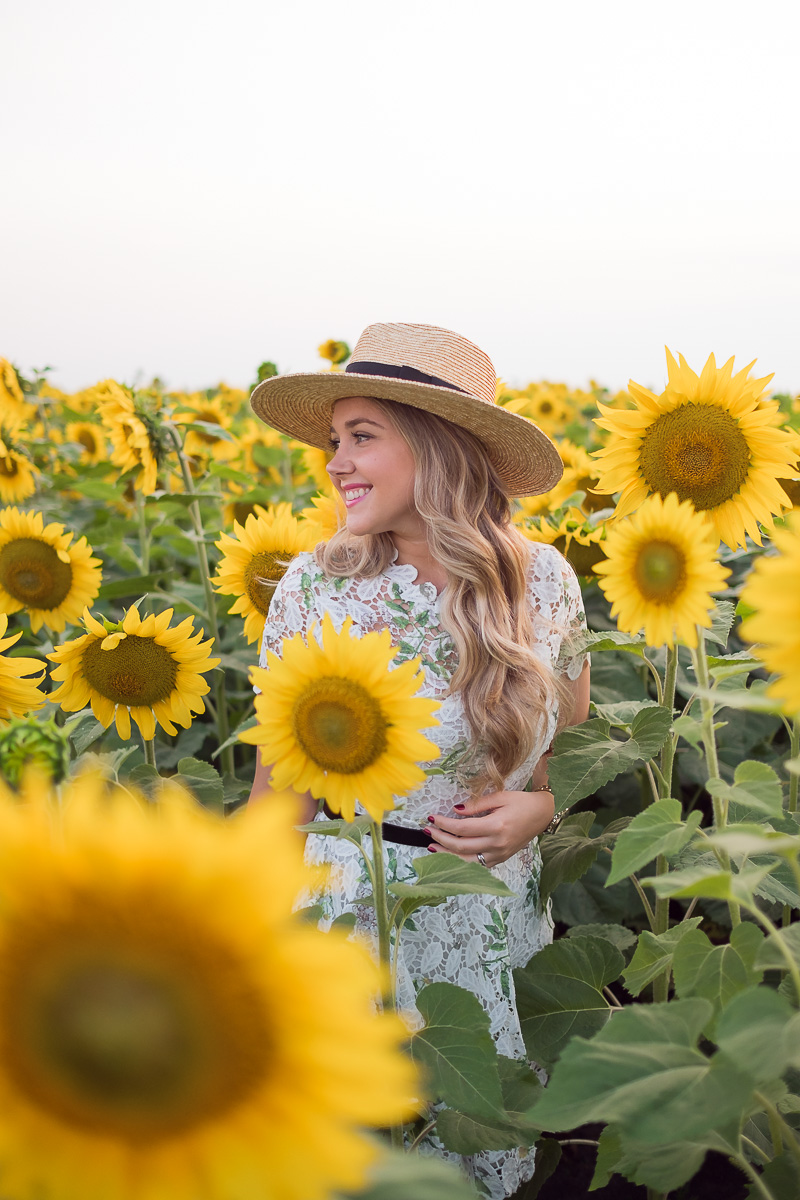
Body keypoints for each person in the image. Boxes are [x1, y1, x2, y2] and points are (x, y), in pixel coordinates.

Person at [247, 322, 590, 1199]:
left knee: (472, 1141)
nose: (336, 463)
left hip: (484, 917)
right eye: (334, 440)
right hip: (350, 911)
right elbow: (277, 797)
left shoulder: (543, 582)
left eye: (363, 437)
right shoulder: (315, 586)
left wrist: (539, 812)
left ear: (439, 448)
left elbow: (554, 766)